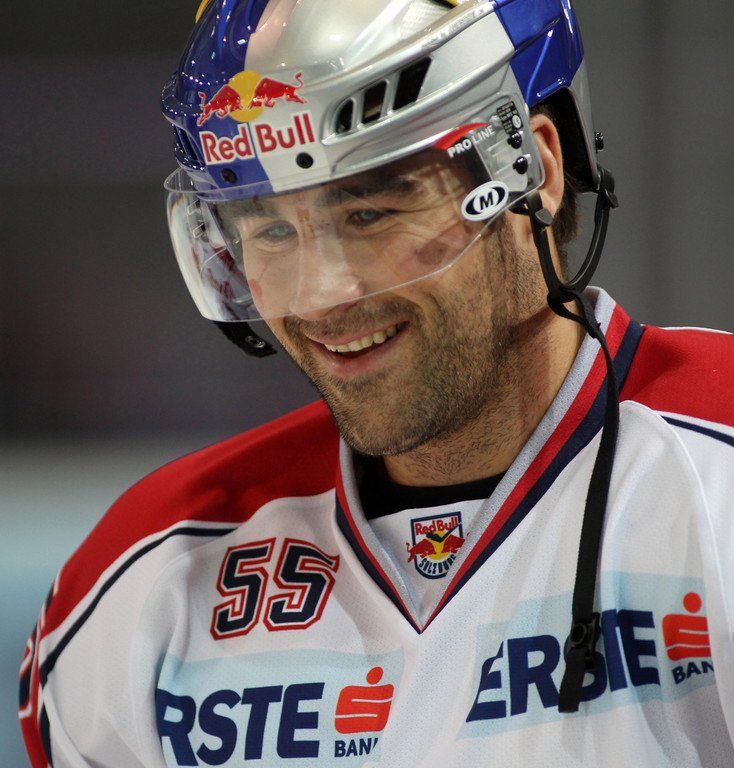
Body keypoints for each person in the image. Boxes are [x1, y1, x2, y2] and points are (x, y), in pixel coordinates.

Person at [19, 0, 734, 766]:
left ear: (534, 168)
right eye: (271, 229)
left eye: (370, 212)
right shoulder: (140, 588)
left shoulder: (715, 472)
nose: (321, 295)